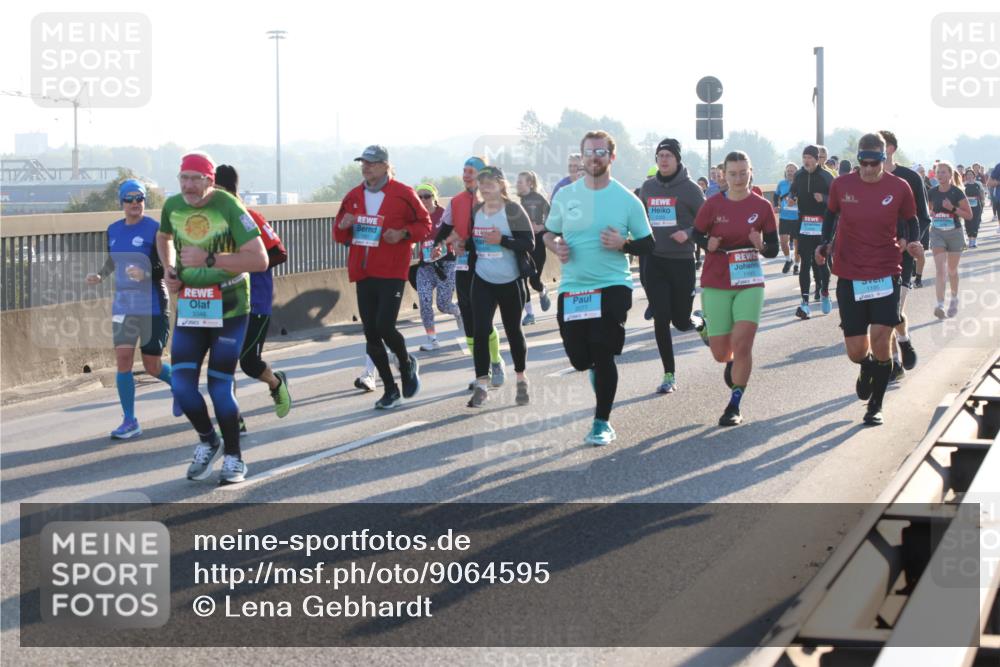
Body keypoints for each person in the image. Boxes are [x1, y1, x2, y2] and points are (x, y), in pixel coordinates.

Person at [157, 152, 268, 484]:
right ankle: (209, 440)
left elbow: (260, 260)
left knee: (220, 386)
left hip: (230, 307)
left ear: (210, 180)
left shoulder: (230, 207)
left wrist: (209, 258)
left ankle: (234, 458)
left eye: (196, 179)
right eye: (183, 178)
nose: (189, 186)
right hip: (192, 305)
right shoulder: (173, 206)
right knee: (181, 385)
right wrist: (170, 269)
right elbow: (164, 238)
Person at [544, 130, 654, 446]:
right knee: (580, 358)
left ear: (611, 157)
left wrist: (624, 243)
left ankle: (601, 422)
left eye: (601, 152)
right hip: (574, 287)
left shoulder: (626, 199)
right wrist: (556, 247)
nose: (595, 157)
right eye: (590, 152)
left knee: (603, 352)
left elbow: (648, 244)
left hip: (612, 285)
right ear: (582, 157)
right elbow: (549, 233)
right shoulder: (566, 196)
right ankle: (593, 369)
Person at [815, 132, 922, 426]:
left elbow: (911, 219)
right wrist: (824, 244)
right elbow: (831, 216)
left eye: (876, 162)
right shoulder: (841, 184)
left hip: (886, 270)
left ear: (884, 159)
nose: (870, 168)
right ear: (859, 158)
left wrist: (910, 241)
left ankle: (875, 405)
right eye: (865, 162)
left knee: (881, 339)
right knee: (855, 350)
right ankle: (866, 366)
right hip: (850, 273)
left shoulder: (899, 187)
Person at [333, 145, 432, 409]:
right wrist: (343, 226)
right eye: (363, 163)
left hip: (391, 271)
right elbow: (339, 235)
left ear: (386, 166)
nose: (366, 167)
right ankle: (390, 389)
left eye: (372, 163)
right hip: (363, 271)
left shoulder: (403, 193)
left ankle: (406, 362)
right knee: (371, 333)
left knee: (385, 326)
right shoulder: (353, 196)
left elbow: (425, 226)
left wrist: (403, 234)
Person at [692, 151, 779, 427]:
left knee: (743, 345)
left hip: (749, 282)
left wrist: (760, 244)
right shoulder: (713, 204)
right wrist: (708, 244)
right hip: (717, 280)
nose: (739, 179)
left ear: (751, 172)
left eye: (744, 173)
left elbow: (774, 249)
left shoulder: (762, 206)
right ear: (723, 176)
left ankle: (734, 404)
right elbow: (696, 233)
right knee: (721, 354)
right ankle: (707, 330)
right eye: (733, 174)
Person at [85, 179, 174, 439]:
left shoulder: (156, 229)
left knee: (152, 366)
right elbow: (113, 259)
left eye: (140, 198)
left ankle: (181, 387)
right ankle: (129, 420)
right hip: (124, 304)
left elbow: (166, 267)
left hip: (152, 304)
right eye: (129, 199)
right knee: (123, 361)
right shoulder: (113, 229)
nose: (135, 203)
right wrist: (101, 275)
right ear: (121, 203)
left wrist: (146, 271)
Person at [213, 165, 291, 432]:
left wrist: (245, 262)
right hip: (221, 302)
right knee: (221, 362)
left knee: (248, 363)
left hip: (254, 301)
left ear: (226, 190)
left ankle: (276, 382)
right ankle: (232, 417)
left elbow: (280, 254)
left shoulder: (250, 217)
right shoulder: (208, 222)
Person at [637, 137, 707, 394]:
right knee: (661, 317)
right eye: (660, 156)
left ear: (677, 160)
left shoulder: (690, 189)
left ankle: (700, 323)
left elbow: (706, 224)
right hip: (654, 260)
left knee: (681, 321)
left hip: (681, 262)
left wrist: (688, 233)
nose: (664, 160)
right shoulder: (647, 188)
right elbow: (640, 219)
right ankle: (669, 374)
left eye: (668, 156)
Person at [465, 166, 535, 408]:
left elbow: (530, 243)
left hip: (510, 279)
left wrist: (502, 240)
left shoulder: (513, 209)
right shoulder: (476, 210)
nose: (485, 187)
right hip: (483, 278)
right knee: (481, 330)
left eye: (490, 182)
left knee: (513, 329)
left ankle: (521, 379)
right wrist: (463, 244)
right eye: (482, 183)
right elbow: (473, 241)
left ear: (502, 185)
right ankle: (482, 385)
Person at [437, 157, 507, 389]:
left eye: (471, 171)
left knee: (483, 322)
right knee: (468, 321)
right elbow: (444, 228)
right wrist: (435, 243)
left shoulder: (493, 201)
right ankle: (481, 370)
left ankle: (495, 362)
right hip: (463, 266)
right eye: (464, 171)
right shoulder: (456, 201)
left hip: (487, 266)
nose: (466, 175)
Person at [879, 130, 927, 378]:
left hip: (903, 257)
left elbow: (922, 217)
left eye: (882, 146)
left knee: (893, 309)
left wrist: (914, 242)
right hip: (873, 257)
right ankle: (895, 362)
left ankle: (902, 344)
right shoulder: (863, 179)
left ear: (891, 149)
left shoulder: (908, 178)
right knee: (881, 313)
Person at [413, 182, 460, 350]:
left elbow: (457, 232)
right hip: (426, 266)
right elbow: (411, 237)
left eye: (427, 196)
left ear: (434, 197)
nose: (423, 199)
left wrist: (440, 244)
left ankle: (457, 311)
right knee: (424, 301)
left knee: (443, 304)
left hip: (446, 263)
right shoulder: (416, 217)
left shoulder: (444, 214)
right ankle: (432, 339)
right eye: (420, 197)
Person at [789, 145, 833, 319]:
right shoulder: (799, 175)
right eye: (804, 157)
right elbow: (793, 192)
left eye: (809, 157)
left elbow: (837, 201)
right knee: (805, 263)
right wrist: (791, 199)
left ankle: (824, 293)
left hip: (823, 226)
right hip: (805, 225)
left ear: (817, 159)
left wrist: (824, 198)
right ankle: (804, 303)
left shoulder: (826, 177)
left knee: (821, 262)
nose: (806, 160)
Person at [928, 161, 973, 319]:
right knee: (940, 270)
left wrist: (952, 208)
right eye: (938, 172)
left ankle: (954, 299)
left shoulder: (957, 193)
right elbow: (931, 209)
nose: (940, 175)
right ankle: (940, 304)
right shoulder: (932, 192)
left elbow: (969, 215)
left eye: (944, 172)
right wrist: (933, 214)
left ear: (950, 174)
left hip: (954, 234)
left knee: (952, 271)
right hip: (937, 233)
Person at [516, 171, 552, 326]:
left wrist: (541, 226)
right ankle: (530, 314)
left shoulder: (539, 199)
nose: (517, 184)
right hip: (524, 245)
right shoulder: (519, 202)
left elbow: (554, 218)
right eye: (517, 181)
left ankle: (542, 290)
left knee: (534, 281)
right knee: (522, 280)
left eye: (520, 182)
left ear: (530, 184)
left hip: (538, 243)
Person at [773, 162, 800, 274]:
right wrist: (776, 206)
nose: (789, 172)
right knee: (783, 242)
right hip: (784, 217)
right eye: (788, 171)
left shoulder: (800, 183)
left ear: (796, 172)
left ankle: (797, 266)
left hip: (797, 217)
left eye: (792, 171)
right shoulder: (781, 183)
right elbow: (775, 195)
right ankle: (788, 260)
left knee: (797, 244)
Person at [962, 168, 985, 247]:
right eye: (968, 174)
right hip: (966, 206)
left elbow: (982, 194)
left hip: (977, 205)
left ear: (974, 176)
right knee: (968, 223)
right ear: (965, 176)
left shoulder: (978, 184)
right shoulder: (963, 185)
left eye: (971, 174)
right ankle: (970, 239)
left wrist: (982, 203)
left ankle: (974, 240)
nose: (969, 176)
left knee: (976, 222)